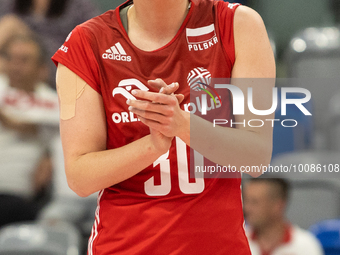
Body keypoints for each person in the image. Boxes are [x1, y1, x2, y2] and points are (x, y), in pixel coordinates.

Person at [52, 0, 275, 254]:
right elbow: (80, 177)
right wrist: (153, 145)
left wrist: (181, 125)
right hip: (125, 247)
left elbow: (256, 157)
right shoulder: (87, 41)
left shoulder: (238, 24)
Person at [0, 34, 59, 227]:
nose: (15, 66)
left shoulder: (54, 102)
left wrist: (49, 154)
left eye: (24, 60)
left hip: (23, 196)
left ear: (42, 69)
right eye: (10, 58)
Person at [0, 0, 100, 84]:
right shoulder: (10, 3)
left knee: (11, 23)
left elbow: (97, 39)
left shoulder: (78, 5)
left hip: (56, 63)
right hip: (14, 59)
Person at [243, 177, 324, 255]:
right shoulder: (238, 241)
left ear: (277, 205)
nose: (246, 208)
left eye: (254, 202)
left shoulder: (305, 245)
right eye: (246, 201)